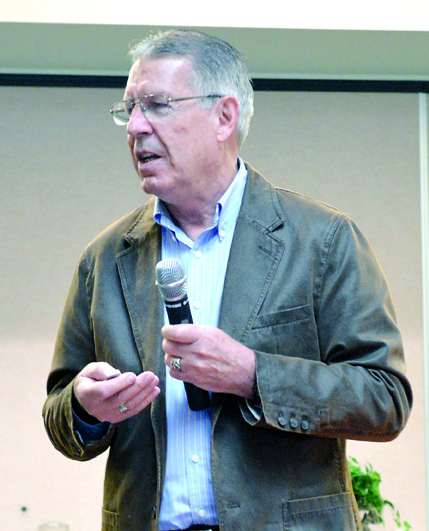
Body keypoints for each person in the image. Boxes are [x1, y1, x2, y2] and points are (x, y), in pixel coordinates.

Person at [43, 29, 412, 531]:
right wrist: (84, 410)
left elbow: (384, 398)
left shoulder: (323, 240)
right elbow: (60, 412)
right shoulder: (105, 259)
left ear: (224, 117)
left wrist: (253, 375)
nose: (134, 126)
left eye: (156, 104)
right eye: (128, 109)